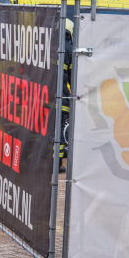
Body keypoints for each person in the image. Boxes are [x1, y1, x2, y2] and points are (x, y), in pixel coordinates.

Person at [58, 18, 73, 174]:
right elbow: (73, 79)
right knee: (59, 132)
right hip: (61, 99)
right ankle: (57, 165)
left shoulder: (47, 46)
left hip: (43, 99)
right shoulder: (69, 49)